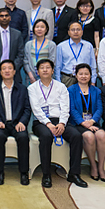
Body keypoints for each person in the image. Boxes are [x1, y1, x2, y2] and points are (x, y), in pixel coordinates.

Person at [29, 59, 85, 188]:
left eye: (48, 67)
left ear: (53, 71)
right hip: (41, 122)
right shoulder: (32, 88)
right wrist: (48, 124)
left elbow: (65, 107)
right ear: (37, 72)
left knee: (76, 136)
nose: (45, 70)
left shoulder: (61, 87)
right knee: (46, 136)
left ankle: (74, 174)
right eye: (42, 68)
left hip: (60, 120)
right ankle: (46, 174)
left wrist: (62, 123)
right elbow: (36, 109)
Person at [0, 59, 31, 186]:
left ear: (14, 71)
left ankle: (24, 172)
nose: (7, 71)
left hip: (17, 124)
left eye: (9, 68)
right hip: (1, 124)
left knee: (23, 137)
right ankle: (0, 172)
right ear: (0, 72)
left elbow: (27, 109)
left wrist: (22, 122)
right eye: (4, 69)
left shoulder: (22, 89)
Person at [69, 63, 105, 181]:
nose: (83, 76)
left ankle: (101, 168)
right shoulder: (71, 90)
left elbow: (99, 109)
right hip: (78, 124)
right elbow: (72, 109)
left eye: (86, 74)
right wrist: (83, 123)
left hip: (93, 122)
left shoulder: (96, 90)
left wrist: (91, 121)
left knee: (102, 135)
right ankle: (93, 166)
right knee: (89, 136)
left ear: (91, 75)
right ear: (76, 75)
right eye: (80, 74)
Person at [0, 8, 25, 86]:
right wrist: (1, 69)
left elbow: (20, 54)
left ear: (10, 18)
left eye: (6, 16)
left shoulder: (17, 34)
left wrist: (11, 69)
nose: (4, 18)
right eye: (1, 16)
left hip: (14, 74)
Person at [55, 21, 96, 87]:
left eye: (78, 29)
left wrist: (93, 81)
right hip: (68, 78)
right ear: (68, 32)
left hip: (84, 79)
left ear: (82, 32)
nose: (76, 32)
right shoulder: (61, 46)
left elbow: (93, 66)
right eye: (73, 30)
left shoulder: (88, 46)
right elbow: (57, 67)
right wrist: (58, 83)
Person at [24, 19, 57, 84]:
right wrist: (31, 76)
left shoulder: (51, 45)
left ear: (46, 29)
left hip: (46, 77)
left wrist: (44, 75)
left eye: (42, 27)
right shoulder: (28, 44)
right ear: (33, 29)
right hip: (31, 78)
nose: (39, 29)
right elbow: (26, 61)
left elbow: (52, 61)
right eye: (37, 27)